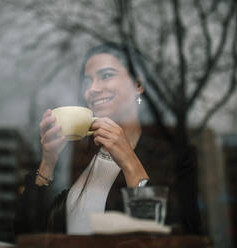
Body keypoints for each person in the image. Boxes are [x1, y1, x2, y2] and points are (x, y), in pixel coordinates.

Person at [14, 43, 202, 236]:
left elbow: (177, 235)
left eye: (106, 75)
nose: (92, 89)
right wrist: (48, 163)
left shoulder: (175, 157)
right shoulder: (80, 157)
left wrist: (129, 161)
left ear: (138, 84)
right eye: (88, 81)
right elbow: (28, 232)